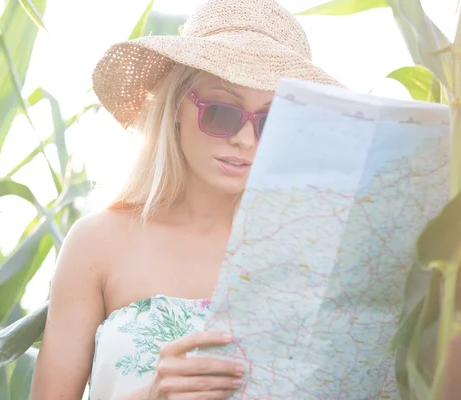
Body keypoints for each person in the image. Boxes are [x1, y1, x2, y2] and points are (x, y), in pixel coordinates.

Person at [30, 0, 341, 398]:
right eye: (221, 112)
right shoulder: (97, 244)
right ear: (176, 105)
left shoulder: (311, 255)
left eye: (271, 120)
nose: (244, 139)